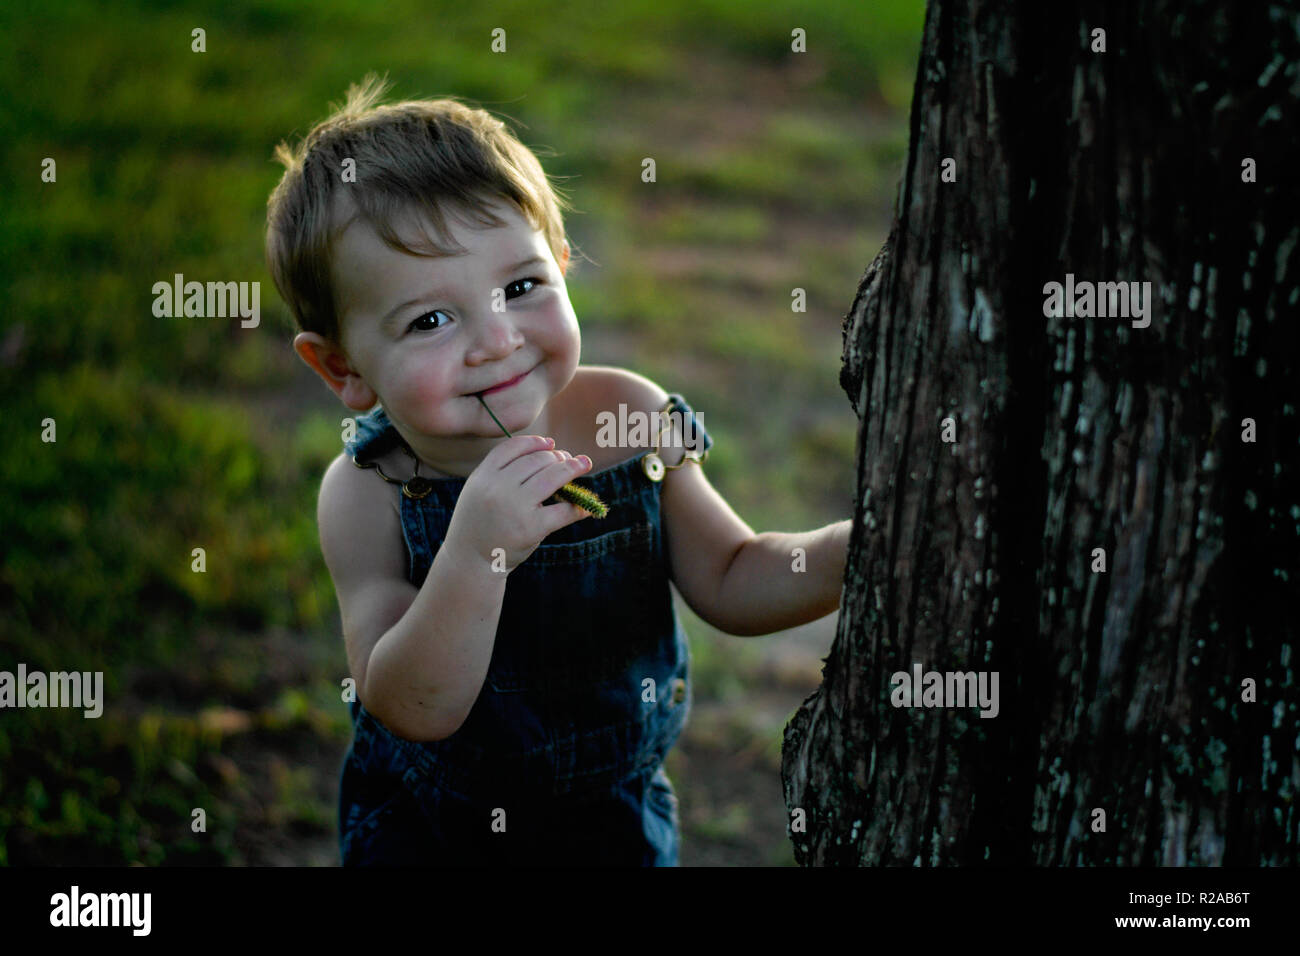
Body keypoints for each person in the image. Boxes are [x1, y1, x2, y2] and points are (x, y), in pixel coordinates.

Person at [266, 74, 851, 866]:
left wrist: (855, 552)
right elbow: (408, 703)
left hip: (612, 821)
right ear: (343, 369)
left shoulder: (626, 418)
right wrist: (475, 553)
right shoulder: (366, 492)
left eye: (520, 285)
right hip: (433, 832)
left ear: (563, 263)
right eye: (432, 320)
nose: (497, 339)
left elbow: (734, 575)